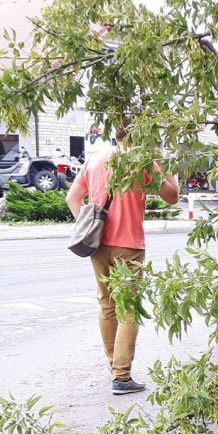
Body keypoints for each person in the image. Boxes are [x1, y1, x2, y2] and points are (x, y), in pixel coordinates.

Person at [66, 128, 180, 395]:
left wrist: (88, 226)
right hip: (128, 244)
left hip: (97, 244)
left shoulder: (95, 159)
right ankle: (122, 376)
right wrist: (165, 166)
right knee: (129, 308)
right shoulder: (143, 161)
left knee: (107, 305)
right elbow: (172, 196)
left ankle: (114, 364)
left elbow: (73, 198)